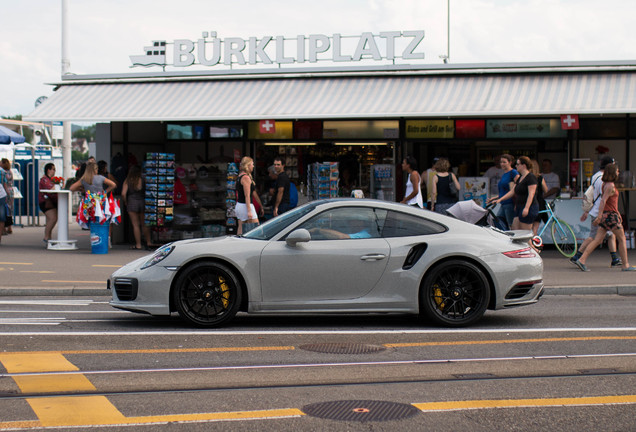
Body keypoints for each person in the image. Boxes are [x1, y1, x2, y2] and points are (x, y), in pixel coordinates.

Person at [572, 163, 636, 272]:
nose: (618, 172)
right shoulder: (610, 185)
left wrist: (601, 216)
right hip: (611, 216)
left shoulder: (605, 184)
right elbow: (603, 201)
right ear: (613, 172)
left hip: (607, 215)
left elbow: (606, 201)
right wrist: (600, 215)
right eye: (617, 170)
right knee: (621, 239)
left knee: (597, 240)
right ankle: (625, 265)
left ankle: (582, 260)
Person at [570, 156, 621, 268]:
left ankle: (615, 258)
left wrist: (588, 211)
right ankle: (578, 256)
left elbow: (593, 194)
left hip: (597, 210)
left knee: (610, 235)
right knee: (594, 237)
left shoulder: (595, 176)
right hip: (602, 212)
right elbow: (603, 199)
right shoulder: (606, 180)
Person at [493, 156, 538, 231]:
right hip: (519, 206)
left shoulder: (531, 177)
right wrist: (500, 199)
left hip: (529, 207)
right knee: (514, 229)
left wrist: (526, 208)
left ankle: (530, 243)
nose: (516, 166)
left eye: (517, 164)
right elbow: (512, 192)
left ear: (523, 165)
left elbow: (531, 194)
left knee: (524, 233)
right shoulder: (520, 178)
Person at [488, 154, 519, 229]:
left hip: (510, 203)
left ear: (510, 162)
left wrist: (499, 199)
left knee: (510, 224)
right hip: (503, 203)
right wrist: (495, 198)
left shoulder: (513, 172)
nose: (502, 164)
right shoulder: (504, 174)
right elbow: (504, 191)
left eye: (504, 162)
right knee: (499, 222)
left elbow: (517, 188)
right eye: (501, 162)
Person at [121, 165, 148, 250]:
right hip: (142, 202)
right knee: (144, 224)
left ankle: (138, 244)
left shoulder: (128, 180)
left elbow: (123, 194)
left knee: (135, 225)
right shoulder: (143, 179)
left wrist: (125, 201)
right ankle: (148, 242)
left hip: (132, 202)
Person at [236, 156, 264, 235]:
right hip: (246, 206)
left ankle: (237, 243)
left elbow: (251, 193)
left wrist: (260, 205)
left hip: (240, 205)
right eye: (252, 164)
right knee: (257, 229)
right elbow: (247, 195)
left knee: (241, 227)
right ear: (248, 165)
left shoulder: (239, 176)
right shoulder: (246, 178)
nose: (253, 166)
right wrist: (249, 211)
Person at [38, 163, 58, 244]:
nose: (54, 171)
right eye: (53, 169)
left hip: (52, 202)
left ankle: (49, 237)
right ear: (48, 170)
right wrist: (56, 184)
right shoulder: (44, 179)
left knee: (51, 219)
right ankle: (46, 236)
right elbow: (49, 190)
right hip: (45, 202)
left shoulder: (51, 179)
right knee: (53, 218)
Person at [530, 159, 549, 237]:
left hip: (530, 203)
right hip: (539, 203)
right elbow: (546, 190)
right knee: (535, 228)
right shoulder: (540, 178)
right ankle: (535, 243)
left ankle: (531, 244)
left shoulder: (527, 178)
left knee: (528, 228)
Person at [1, 158, 13, 235]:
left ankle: (4, 229)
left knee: (3, 210)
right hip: (10, 191)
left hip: (4, 191)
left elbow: (3, 183)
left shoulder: (2, 172)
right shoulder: (10, 172)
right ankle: (9, 227)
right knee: (9, 209)